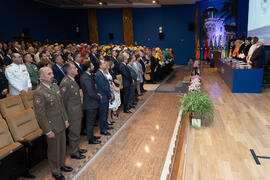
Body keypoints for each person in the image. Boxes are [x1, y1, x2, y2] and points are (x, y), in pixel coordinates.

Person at [33, 67, 72, 180]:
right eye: (49, 74)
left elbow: (61, 105)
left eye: (52, 73)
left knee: (62, 147)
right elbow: (40, 115)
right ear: (42, 77)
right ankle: (55, 171)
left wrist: (65, 119)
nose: (52, 75)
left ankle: (62, 164)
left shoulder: (55, 87)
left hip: (61, 122)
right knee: (54, 150)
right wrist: (48, 130)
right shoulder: (39, 92)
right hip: (52, 126)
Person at [60, 62, 87, 159]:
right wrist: (66, 117)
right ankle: (74, 152)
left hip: (76, 111)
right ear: (69, 71)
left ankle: (77, 148)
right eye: (74, 68)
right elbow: (63, 101)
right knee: (73, 133)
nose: (77, 69)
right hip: (72, 113)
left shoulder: (72, 80)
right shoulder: (65, 82)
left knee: (77, 131)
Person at [80, 61, 102, 144]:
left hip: (91, 102)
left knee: (91, 121)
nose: (93, 67)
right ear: (88, 68)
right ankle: (90, 139)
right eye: (92, 66)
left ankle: (91, 136)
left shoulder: (88, 75)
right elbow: (90, 92)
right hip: (90, 103)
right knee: (90, 122)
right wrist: (98, 96)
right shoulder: (85, 77)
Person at [95, 59, 113, 136]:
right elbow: (103, 87)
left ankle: (105, 125)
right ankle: (103, 129)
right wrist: (109, 94)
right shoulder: (98, 74)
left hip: (105, 96)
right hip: (103, 96)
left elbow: (106, 85)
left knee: (105, 113)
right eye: (103, 63)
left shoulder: (102, 73)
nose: (105, 65)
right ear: (100, 66)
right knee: (103, 114)